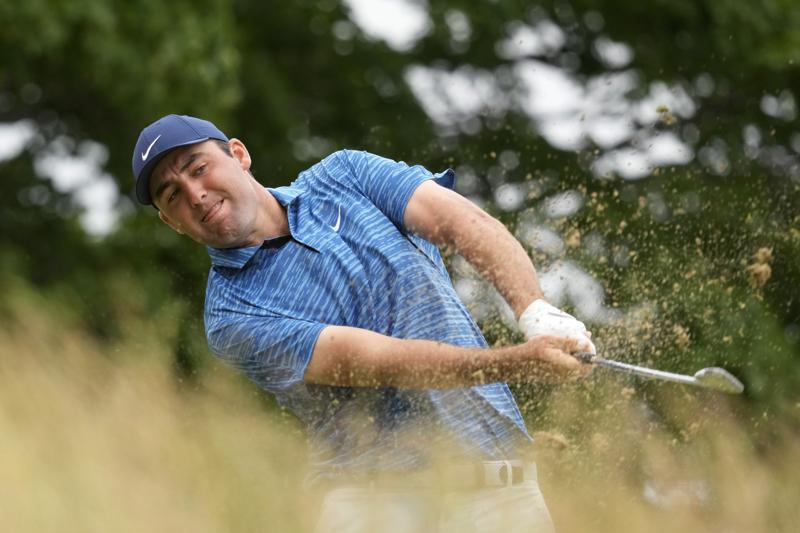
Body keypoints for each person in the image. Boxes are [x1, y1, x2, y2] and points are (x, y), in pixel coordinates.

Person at [132, 114, 596, 533]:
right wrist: (519, 362)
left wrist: (534, 311)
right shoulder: (231, 316)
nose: (195, 194)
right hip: (380, 506)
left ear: (238, 154)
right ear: (171, 222)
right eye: (171, 194)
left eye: (198, 168)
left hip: (503, 491)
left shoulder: (344, 175)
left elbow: (456, 219)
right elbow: (379, 361)